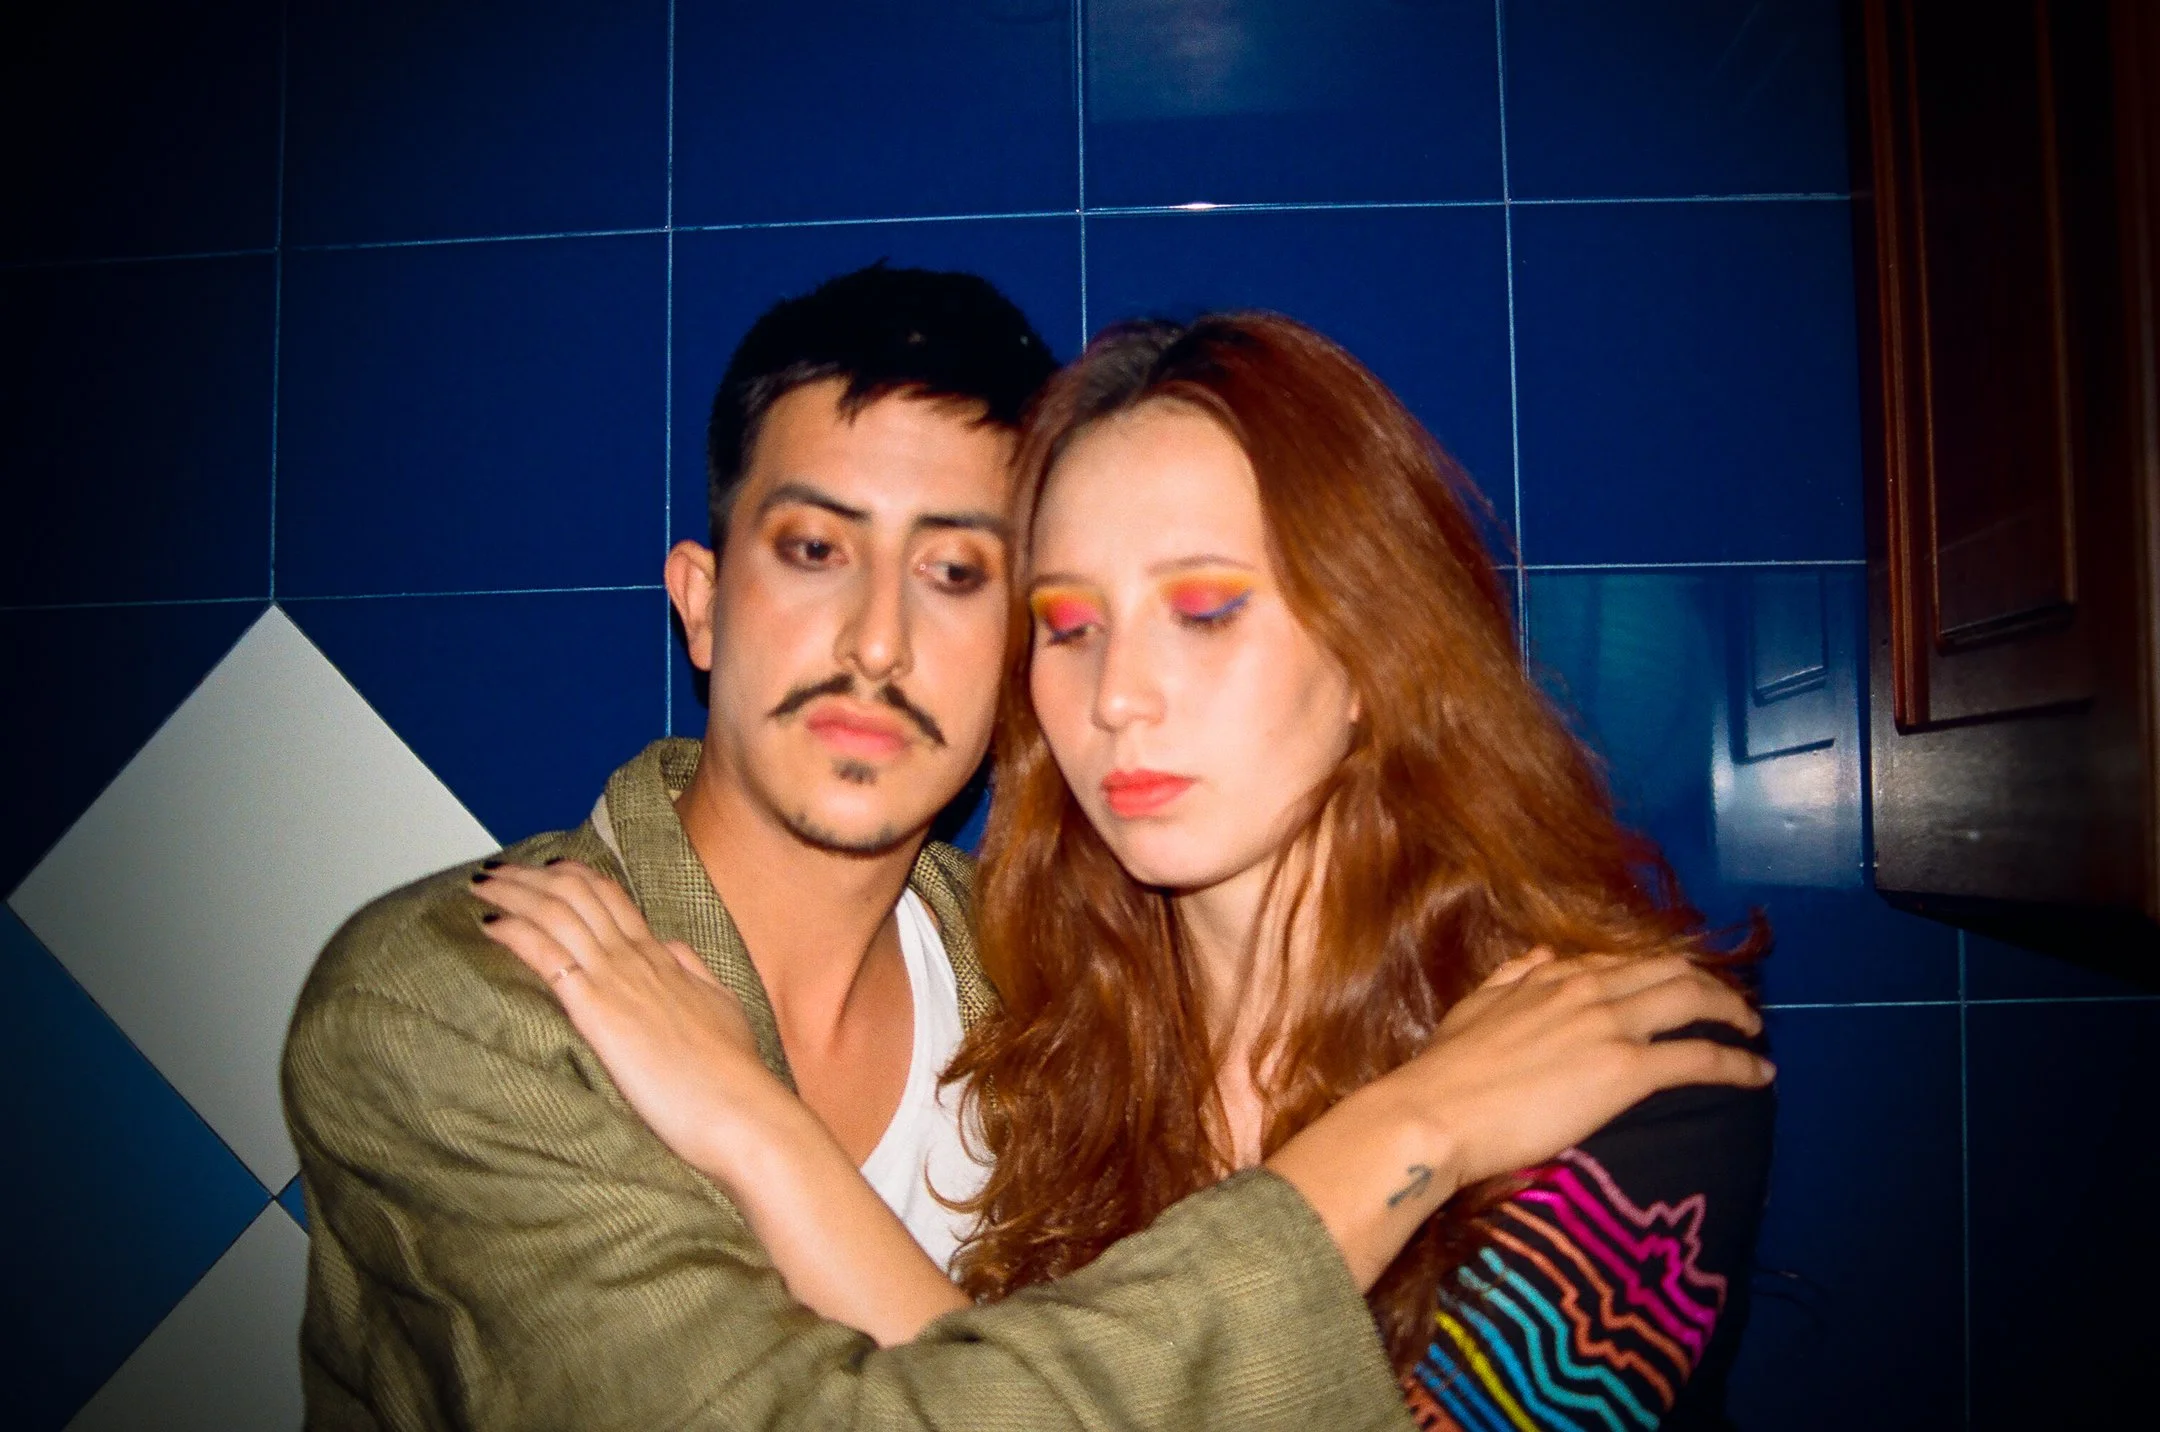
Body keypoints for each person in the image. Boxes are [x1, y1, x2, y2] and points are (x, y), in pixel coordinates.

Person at [469, 312, 1779, 1430]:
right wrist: (762, 1120)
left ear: (1379, 648)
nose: (1117, 698)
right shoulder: (1049, 1045)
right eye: (1070, 624)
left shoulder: (1620, 1059)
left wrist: (749, 1127)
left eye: (1205, 610)